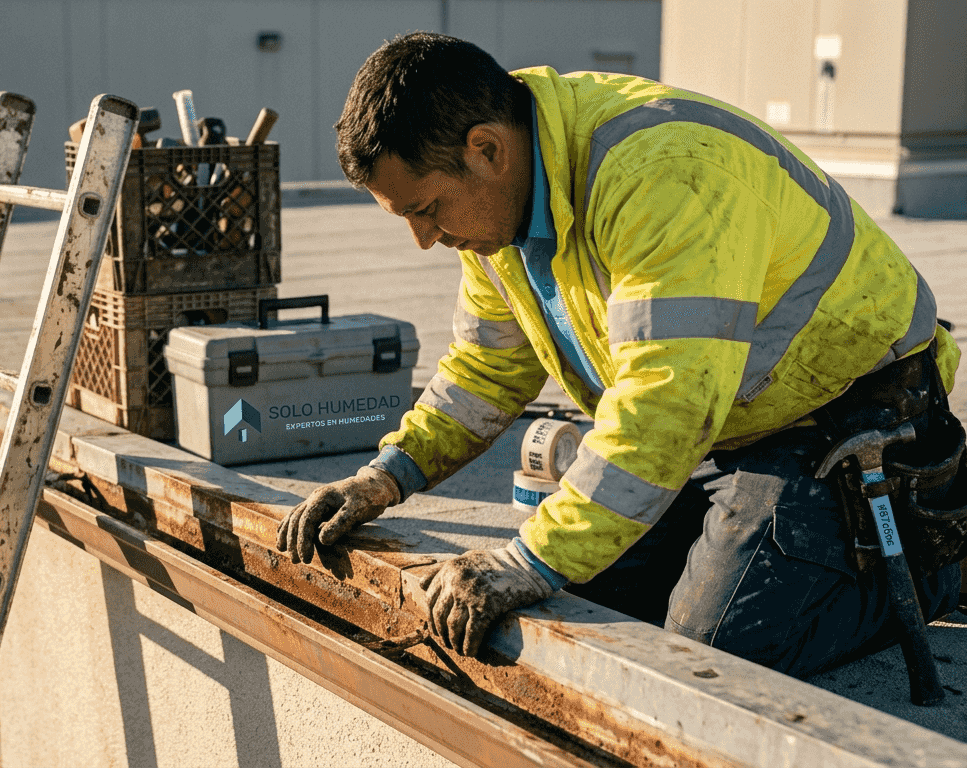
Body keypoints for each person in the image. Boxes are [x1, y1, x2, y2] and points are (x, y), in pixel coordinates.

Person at [276, 32, 967, 676]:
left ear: (487, 149)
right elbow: (487, 367)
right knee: (584, 595)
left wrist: (529, 557)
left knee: (709, 653)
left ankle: (938, 561)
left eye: (427, 210)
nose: (424, 239)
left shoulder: (661, 172)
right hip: (731, 420)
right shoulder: (499, 213)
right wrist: (386, 475)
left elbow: (665, 400)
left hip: (848, 416)